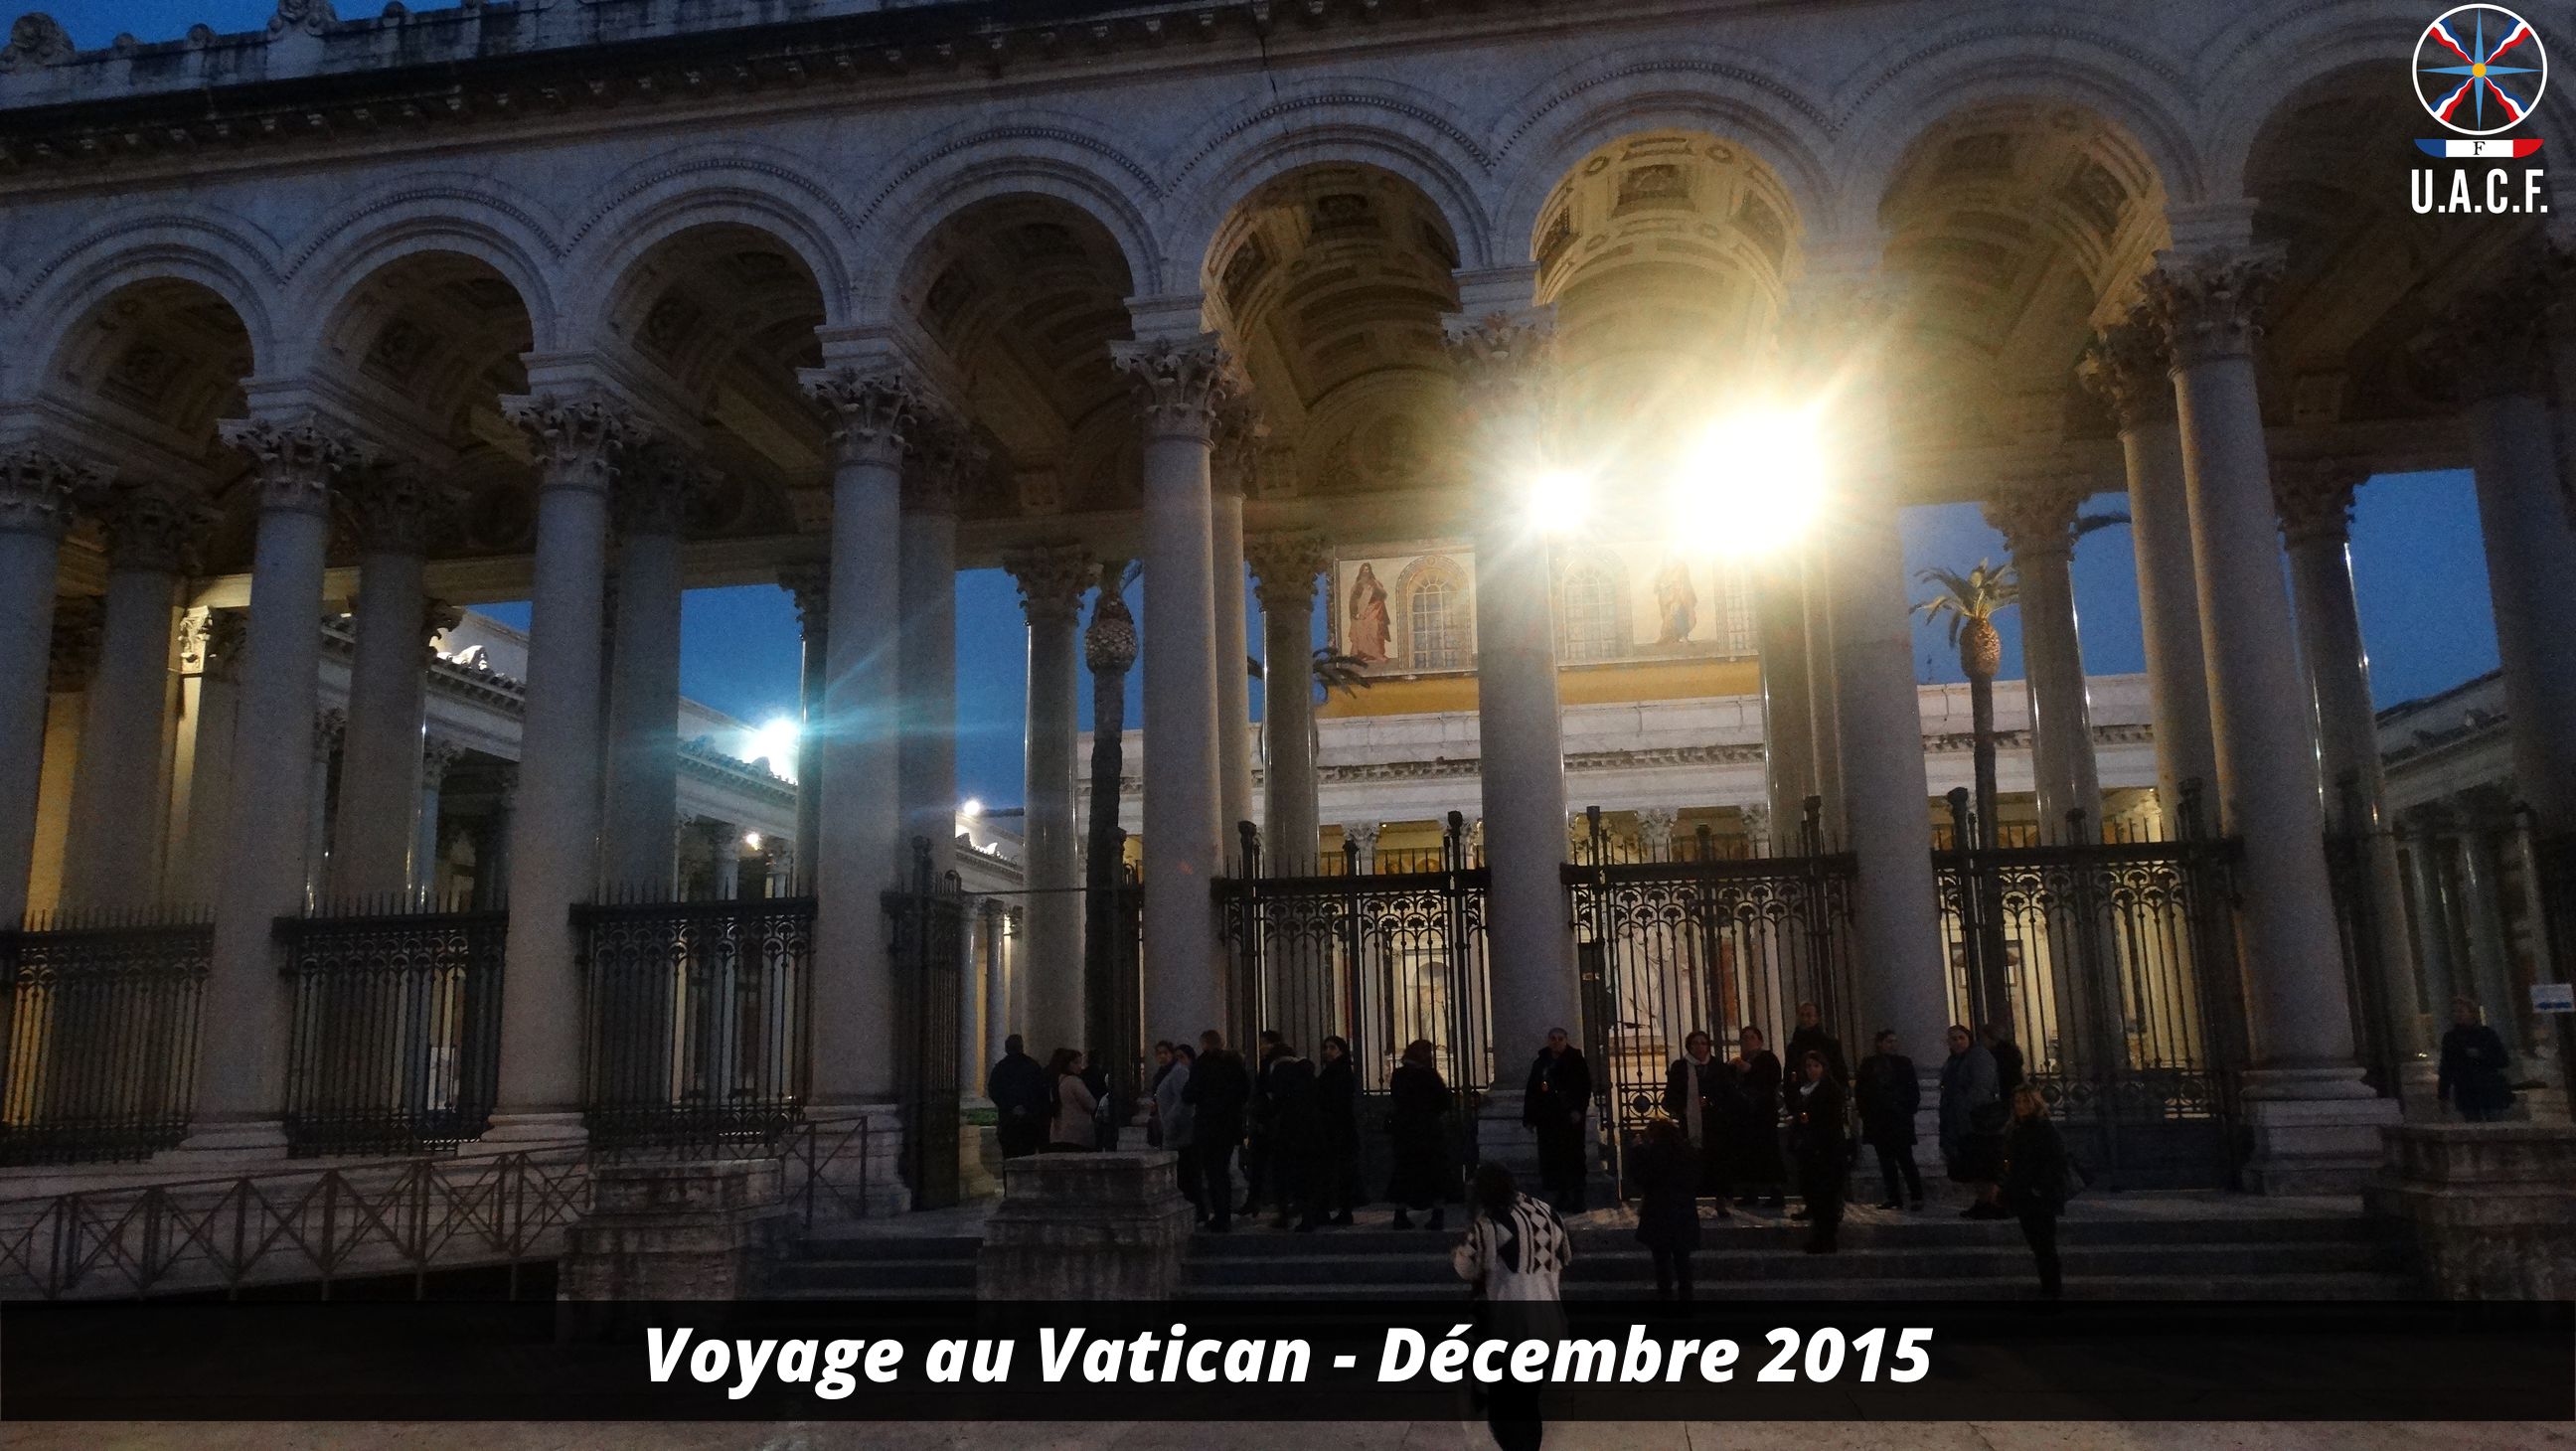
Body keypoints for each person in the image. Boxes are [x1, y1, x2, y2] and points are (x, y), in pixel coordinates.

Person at [1451, 1162, 1568, 1451]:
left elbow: (1466, 1267)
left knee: (1505, 1407)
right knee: (1528, 1403)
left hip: (1510, 1328)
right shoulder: (1546, 1211)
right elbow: (1565, 1256)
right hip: (1548, 1320)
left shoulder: (1489, 1225)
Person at [1997, 1082, 2069, 1298]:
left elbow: (2056, 1161)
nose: (2020, 1106)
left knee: (2045, 1246)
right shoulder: (2016, 1128)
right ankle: (2048, 1288)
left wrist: (2039, 1187)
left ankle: (2052, 1292)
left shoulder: (2043, 1128)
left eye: (2025, 1102)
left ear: (2035, 1103)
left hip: (2040, 1197)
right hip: (2024, 1196)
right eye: (2017, 1102)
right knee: (2037, 1246)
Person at [1629, 1117, 1701, 1300]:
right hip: (1683, 1211)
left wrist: (1638, 1150)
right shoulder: (1687, 1152)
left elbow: (1643, 1177)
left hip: (1659, 1212)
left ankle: (1665, 1294)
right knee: (1682, 1257)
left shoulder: (1655, 1152)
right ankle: (1686, 1294)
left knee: (1661, 1258)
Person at [1663, 1030, 1736, 1209]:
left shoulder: (1718, 1066)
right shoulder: (1680, 1067)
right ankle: (1689, 1200)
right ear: (1689, 1046)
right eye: (1695, 1043)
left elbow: (1727, 1092)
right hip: (1689, 1122)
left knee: (1717, 1161)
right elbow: (1671, 1093)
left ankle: (1720, 1200)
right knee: (1690, 1161)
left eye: (1703, 1043)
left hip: (1714, 1122)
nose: (1700, 1047)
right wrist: (1684, 1106)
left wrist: (1710, 1101)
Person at [1188, 1030, 1253, 1230]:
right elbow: (1245, 1091)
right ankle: (1224, 1215)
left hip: (1209, 1125)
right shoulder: (1234, 1064)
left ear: (1204, 1044)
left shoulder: (1203, 1064)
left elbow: (1190, 1093)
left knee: (1213, 1171)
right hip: (1229, 1126)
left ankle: (1220, 1216)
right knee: (1222, 1170)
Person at [1523, 1027, 1593, 1213]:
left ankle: (1578, 1197)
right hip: (1548, 1118)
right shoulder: (1541, 1063)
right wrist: (1530, 1117)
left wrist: (1579, 1109)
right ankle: (1561, 1195)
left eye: (1560, 1038)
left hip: (1570, 1118)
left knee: (1574, 1156)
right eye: (1553, 1038)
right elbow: (1532, 1091)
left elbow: (1584, 1088)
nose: (1556, 1042)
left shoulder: (1576, 1061)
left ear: (1566, 1040)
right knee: (1553, 1158)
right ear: (1548, 1040)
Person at [1939, 1023, 2005, 1217]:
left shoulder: (1979, 1057)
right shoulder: (1953, 1060)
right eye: (1953, 1039)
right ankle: (1982, 1201)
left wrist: (1967, 1109)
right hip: (1959, 1120)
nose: (1958, 1042)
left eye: (1961, 1038)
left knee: (1985, 1165)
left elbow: (1981, 1088)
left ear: (1969, 1039)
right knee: (1973, 1167)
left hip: (1979, 1121)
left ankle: (1991, 1202)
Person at [1854, 1029, 1925, 1210]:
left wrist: (1907, 1108)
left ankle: (1916, 1196)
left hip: (1899, 1118)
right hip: (1879, 1119)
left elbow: (1912, 1089)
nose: (1893, 1045)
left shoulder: (1904, 1063)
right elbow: (1862, 1090)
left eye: (1894, 1041)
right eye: (1889, 1041)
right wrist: (1866, 1112)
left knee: (1905, 1159)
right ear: (1879, 1043)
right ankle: (1894, 1196)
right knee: (1886, 1161)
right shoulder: (1869, 1064)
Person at [1387, 1038, 1453, 1229]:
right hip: (1428, 1129)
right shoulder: (1429, 1075)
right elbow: (1444, 1101)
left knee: (1404, 1171)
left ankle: (1400, 1214)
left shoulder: (1399, 1074)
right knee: (1435, 1172)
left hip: (1405, 1129)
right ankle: (1437, 1215)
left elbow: (1396, 1098)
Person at [1790, 1049, 1848, 1253]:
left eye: (1816, 1066)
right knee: (1812, 1193)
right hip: (1809, 1149)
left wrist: (1811, 1121)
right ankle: (1819, 1235)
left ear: (1823, 1068)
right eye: (1808, 1066)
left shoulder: (1829, 1089)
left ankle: (1826, 1238)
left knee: (1825, 1196)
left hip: (1825, 1150)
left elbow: (1832, 1120)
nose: (1812, 1070)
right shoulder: (1805, 1089)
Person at [1726, 1025, 1787, 1209]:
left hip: (1763, 1114)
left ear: (1760, 1041)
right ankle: (1750, 1192)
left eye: (1751, 1037)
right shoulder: (1738, 1061)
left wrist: (1750, 1069)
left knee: (1769, 1154)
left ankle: (1776, 1192)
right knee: (1747, 1155)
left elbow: (1772, 1079)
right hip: (1745, 1115)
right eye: (1744, 1038)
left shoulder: (1767, 1058)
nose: (1747, 1041)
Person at [1267, 1044, 1322, 1229]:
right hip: (1310, 1130)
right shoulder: (1306, 1072)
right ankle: (1308, 1215)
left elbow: (1277, 1102)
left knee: (1284, 1174)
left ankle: (1285, 1215)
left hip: (1288, 1131)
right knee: (1306, 1175)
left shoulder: (1281, 1071)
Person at [2439, 996, 2517, 1122]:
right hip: (2466, 1092)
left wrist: (2481, 1055)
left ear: (2471, 1013)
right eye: (2454, 1011)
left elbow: (2503, 1060)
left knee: (2495, 1124)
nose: (2457, 1015)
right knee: (2474, 1126)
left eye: (2460, 1011)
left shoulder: (2487, 1034)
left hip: (2489, 1090)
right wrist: (2443, 1095)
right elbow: (2446, 1067)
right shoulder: (2450, 1038)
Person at [1315, 1036, 1363, 1226]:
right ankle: (1340, 1209)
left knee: (1337, 1172)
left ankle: (1339, 1210)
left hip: (1336, 1129)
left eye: (1332, 1047)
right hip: (1339, 1128)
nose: (1327, 1051)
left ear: (1341, 1050)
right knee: (1339, 1171)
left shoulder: (1337, 1072)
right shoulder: (1337, 1070)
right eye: (1326, 1047)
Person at [1238, 1029, 1287, 1217]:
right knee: (1262, 1164)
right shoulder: (1277, 1061)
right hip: (1270, 1121)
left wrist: (1261, 1115)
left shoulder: (1273, 1063)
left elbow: (1268, 1092)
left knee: (1265, 1164)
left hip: (1268, 1122)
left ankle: (1261, 1200)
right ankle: (1257, 1199)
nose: (1260, 1048)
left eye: (1263, 1043)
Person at [986, 1035, 1050, 1160]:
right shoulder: (1032, 1065)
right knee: (1027, 1157)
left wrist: (1011, 1107)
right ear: (1021, 1047)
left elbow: (994, 1091)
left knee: (1009, 1157)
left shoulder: (1001, 1067)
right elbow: (1041, 1091)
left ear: (1006, 1048)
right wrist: (1027, 1107)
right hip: (1029, 1119)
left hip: (1008, 1119)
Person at [1154, 1042, 1199, 1215]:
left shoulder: (1179, 1072)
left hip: (1180, 1131)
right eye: (1159, 1053)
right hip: (1172, 1129)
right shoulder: (1163, 1074)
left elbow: (1183, 1101)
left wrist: (1170, 1122)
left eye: (1165, 1052)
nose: (1162, 1056)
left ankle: (1194, 1211)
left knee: (1185, 1174)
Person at [1045, 1048, 1097, 1152]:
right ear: (1067, 1064)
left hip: (1058, 1133)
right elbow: (1091, 1104)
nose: (1080, 1066)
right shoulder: (1074, 1082)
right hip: (1076, 1133)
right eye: (1076, 1063)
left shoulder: (1056, 1082)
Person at [1789, 1001, 1849, 1085]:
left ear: (1817, 1018)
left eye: (1809, 1015)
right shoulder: (1793, 1047)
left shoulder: (1830, 1045)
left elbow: (1840, 1074)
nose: (1804, 1019)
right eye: (1802, 1015)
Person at [1982, 1021, 2025, 1100]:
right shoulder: (2012, 1050)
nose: (1982, 1041)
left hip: (2004, 1090)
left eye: (1984, 1037)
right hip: (2015, 1088)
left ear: (1991, 1037)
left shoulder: (1995, 1054)